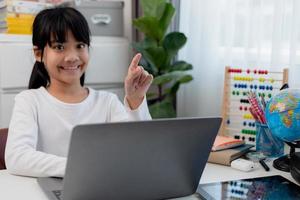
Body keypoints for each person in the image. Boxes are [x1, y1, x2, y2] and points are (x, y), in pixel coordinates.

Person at [5, 7, 153, 178]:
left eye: (80, 45)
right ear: (38, 54)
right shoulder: (29, 101)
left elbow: (139, 150)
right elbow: (17, 157)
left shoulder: (107, 102)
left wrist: (135, 99)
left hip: (100, 190)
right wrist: (80, 166)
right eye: (59, 47)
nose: (72, 57)